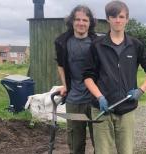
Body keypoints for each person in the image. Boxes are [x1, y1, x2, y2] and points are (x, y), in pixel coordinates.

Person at [83, 1, 146, 153]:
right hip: (102, 109)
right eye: (113, 16)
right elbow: (87, 77)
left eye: (121, 16)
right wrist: (99, 97)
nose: (118, 20)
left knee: (126, 151)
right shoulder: (97, 45)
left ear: (127, 19)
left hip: (126, 109)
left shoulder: (136, 45)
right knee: (103, 151)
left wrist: (141, 90)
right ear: (108, 19)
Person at [54, 5, 97, 154]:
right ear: (72, 21)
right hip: (73, 100)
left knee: (100, 143)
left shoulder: (97, 43)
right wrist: (65, 85)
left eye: (85, 20)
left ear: (90, 22)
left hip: (95, 101)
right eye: (77, 19)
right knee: (75, 144)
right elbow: (61, 65)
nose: (81, 23)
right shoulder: (62, 42)